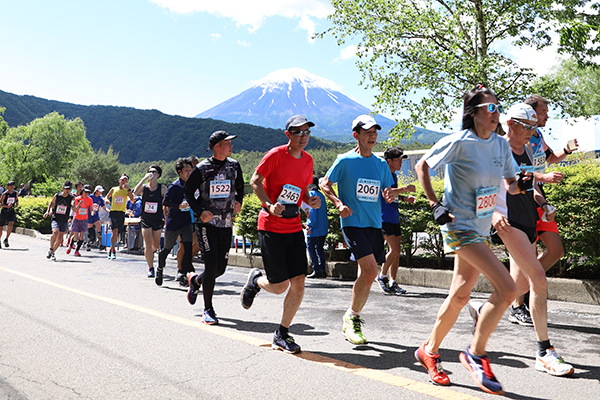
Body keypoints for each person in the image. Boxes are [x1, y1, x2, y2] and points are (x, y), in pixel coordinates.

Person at [413, 85, 525, 395]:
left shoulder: (500, 147)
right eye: (489, 108)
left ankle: (428, 351)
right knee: (508, 288)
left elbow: (512, 187)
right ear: (472, 113)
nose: (495, 113)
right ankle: (475, 353)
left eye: (497, 107)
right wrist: (435, 204)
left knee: (461, 295)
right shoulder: (459, 142)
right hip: (458, 225)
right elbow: (422, 165)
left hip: (480, 228)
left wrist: (530, 182)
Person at [483, 102, 574, 376]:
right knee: (538, 278)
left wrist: (542, 200)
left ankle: (483, 309)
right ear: (510, 124)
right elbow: (483, 187)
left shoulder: (529, 149)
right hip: (508, 223)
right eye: (527, 126)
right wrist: (490, 216)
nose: (532, 132)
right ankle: (544, 351)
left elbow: (527, 186)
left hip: (528, 219)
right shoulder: (496, 149)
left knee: (514, 287)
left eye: (534, 127)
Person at [240, 115, 320, 354]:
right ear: (288, 135)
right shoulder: (275, 155)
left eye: (307, 132)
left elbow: (303, 190)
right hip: (271, 227)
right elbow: (255, 181)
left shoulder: (308, 160)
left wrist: (311, 200)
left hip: (294, 227)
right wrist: (268, 205)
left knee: (299, 282)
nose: (303, 137)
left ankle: (282, 333)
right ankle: (256, 280)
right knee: (279, 286)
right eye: (298, 133)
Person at [320, 115, 395, 345]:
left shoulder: (381, 164)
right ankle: (353, 317)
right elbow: (324, 183)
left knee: (366, 274)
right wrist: (338, 204)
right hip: (352, 224)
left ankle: (350, 316)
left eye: (375, 132)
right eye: (367, 132)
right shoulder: (344, 160)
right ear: (356, 135)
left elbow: (385, 191)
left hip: (374, 224)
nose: (372, 136)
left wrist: (392, 194)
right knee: (372, 271)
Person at [505, 95, 577, 325]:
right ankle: (517, 304)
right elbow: (516, 174)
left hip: (535, 195)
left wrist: (566, 149)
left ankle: (516, 293)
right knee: (525, 259)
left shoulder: (536, 137)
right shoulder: (508, 144)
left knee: (555, 250)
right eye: (543, 112)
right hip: (517, 200)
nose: (546, 116)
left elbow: (549, 159)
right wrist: (541, 177)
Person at [185, 132, 244, 325]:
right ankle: (208, 309)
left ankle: (195, 282)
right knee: (211, 266)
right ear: (217, 146)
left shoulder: (234, 165)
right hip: (206, 224)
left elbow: (240, 187)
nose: (231, 146)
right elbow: (188, 192)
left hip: (226, 223)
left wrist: (238, 202)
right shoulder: (202, 168)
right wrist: (200, 212)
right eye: (227, 143)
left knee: (220, 269)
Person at [377, 147, 416, 295]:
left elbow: (393, 195)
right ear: (389, 161)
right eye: (398, 159)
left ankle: (392, 282)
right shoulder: (383, 174)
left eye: (401, 159)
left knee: (397, 251)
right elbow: (385, 193)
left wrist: (405, 198)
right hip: (384, 218)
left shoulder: (394, 176)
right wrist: (405, 189)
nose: (400, 162)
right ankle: (382, 276)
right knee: (393, 249)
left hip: (394, 216)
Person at [156, 158, 194, 287]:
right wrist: (178, 206)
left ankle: (183, 275)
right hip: (174, 223)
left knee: (188, 249)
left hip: (187, 221)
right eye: (186, 170)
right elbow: (165, 202)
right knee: (167, 249)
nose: (189, 172)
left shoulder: (192, 184)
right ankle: (160, 269)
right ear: (179, 172)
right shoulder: (175, 186)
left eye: (190, 170)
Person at [134, 165, 167, 278]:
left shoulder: (162, 188)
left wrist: (166, 218)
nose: (151, 174)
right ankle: (151, 268)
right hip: (145, 219)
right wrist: (144, 178)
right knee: (148, 244)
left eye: (154, 172)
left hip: (157, 219)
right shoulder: (144, 188)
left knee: (155, 246)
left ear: (158, 175)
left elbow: (166, 204)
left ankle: (150, 253)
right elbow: (135, 192)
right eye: (149, 172)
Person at [304, 176, 328, 279]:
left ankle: (316, 270)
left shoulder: (311, 195)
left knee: (311, 248)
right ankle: (322, 270)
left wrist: (309, 225)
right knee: (320, 249)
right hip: (323, 228)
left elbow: (312, 212)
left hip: (314, 229)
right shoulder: (321, 195)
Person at [105, 174, 134, 259]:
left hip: (121, 213)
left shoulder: (126, 191)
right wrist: (106, 200)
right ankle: (113, 250)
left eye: (125, 180)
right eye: (122, 180)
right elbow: (106, 196)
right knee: (115, 230)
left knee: (117, 233)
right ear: (119, 180)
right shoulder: (114, 189)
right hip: (113, 212)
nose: (124, 182)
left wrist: (128, 189)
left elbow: (132, 199)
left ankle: (111, 248)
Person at [43, 181, 75, 260]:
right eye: (66, 189)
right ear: (63, 188)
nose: (67, 191)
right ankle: (51, 248)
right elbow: (52, 203)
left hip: (64, 219)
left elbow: (74, 207)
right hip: (56, 218)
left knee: (60, 238)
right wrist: (48, 211)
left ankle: (53, 252)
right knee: (55, 232)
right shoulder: (57, 195)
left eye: (69, 189)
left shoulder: (71, 197)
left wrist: (76, 204)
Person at [68, 185, 94, 256]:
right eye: (85, 192)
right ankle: (71, 244)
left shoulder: (90, 200)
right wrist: (79, 204)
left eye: (88, 192)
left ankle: (77, 250)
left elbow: (91, 209)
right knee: (76, 237)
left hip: (84, 219)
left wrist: (93, 211)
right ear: (82, 191)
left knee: (82, 236)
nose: (86, 194)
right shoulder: (77, 199)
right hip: (76, 219)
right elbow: (75, 209)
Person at [87, 186, 109, 251]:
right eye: (100, 191)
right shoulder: (90, 197)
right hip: (89, 215)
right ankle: (88, 244)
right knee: (90, 230)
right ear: (96, 191)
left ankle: (100, 244)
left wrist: (110, 211)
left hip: (96, 215)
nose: (101, 192)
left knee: (99, 228)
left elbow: (104, 207)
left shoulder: (100, 198)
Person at [0, 181, 19, 249]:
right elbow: (0, 203)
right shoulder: (4, 194)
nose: (12, 186)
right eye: (10, 185)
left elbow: (16, 200)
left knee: (11, 225)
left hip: (11, 211)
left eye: (13, 185)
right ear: (7, 186)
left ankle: (6, 239)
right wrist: (6, 206)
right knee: (1, 227)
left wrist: (17, 203)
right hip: (4, 212)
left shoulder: (15, 193)